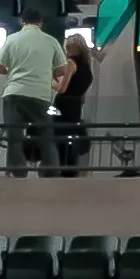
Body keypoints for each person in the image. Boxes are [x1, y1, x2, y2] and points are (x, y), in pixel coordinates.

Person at [0, 11, 69, 177]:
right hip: (41, 94)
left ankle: (19, 171)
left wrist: (13, 71)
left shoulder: (12, 39)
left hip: (14, 93)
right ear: (41, 23)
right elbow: (62, 69)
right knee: (46, 134)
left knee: (15, 136)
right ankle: (50, 170)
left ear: (22, 22)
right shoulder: (51, 41)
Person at [51, 34, 97, 177]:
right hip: (76, 106)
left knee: (55, 132)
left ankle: (55, 167)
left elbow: (62, 88)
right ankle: (70, 170)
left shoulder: (71, 63)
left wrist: (49, 81)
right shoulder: (87, 67)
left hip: (62, 104)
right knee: (71, 137)